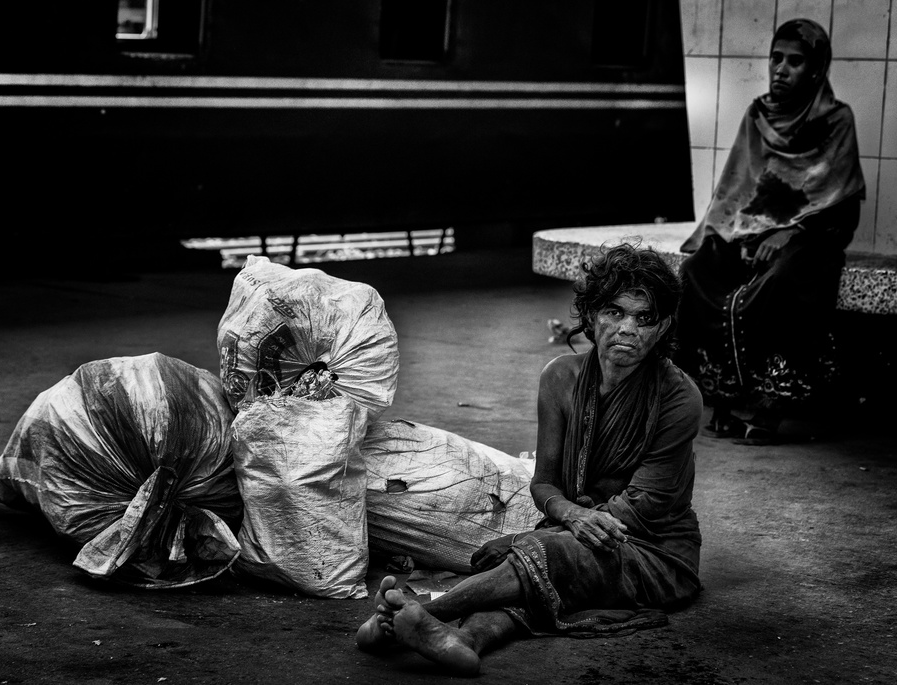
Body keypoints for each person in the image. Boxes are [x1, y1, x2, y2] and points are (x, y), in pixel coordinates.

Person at [355, 243, 703, 675]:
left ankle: (417, 615)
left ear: (663, 325)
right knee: (533, 569)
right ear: (592, 314)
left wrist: (558, 530)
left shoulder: (679, 396)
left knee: (541, 553)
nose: (627, 328)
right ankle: (463, 640)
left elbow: (642, 508)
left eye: (644, 318)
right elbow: (545, 485)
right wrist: (571, 516)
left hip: (655, 550)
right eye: (615, 312)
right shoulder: (559, 377)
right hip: (577, 528)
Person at [676, 18, 865, 445]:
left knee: (782, 280)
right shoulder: (759, 114)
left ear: (816, 70)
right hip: (752, 235)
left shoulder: (836, 121)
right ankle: (722, 396)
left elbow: (841, 207)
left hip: (811, 239)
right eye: (775, 58)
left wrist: (792, 232)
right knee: (698, 270)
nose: (780, 69)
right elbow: (737, 191)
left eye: (794, 61)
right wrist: (733, 235)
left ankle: (768, 403)